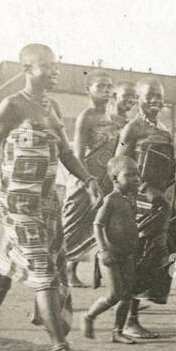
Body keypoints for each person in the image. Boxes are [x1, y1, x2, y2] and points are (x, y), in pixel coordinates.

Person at [0, 44, 95, 351]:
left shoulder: (52, 107)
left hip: (46, 203)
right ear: (26, 69)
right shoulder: (11, 105)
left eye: (56, 65)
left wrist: (88, 180)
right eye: (46, 66)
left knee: (3, 273)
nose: (54, 71)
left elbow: (68, 154)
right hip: (18, 203)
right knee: (43, 269)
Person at [116, 79, 176, 339]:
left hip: (166, 205)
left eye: (159, 97)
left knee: (160, 260)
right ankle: (129, 320)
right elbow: (118, 167)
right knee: (140, 258)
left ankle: (133, 316)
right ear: (138, 97)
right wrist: (143, 191)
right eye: (150, 96)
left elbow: (170, 173)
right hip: (143, 206)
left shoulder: (164, 130)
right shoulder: (132, 129)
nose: (155, 101)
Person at [62, 71, 123, 288]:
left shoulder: (110, 118)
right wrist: (88, 184)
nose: (106, 91)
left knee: (96, 227)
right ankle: (62, 273)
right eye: (100, 87)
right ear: (88, 90)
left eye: (109, 86)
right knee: (73, 227)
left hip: (105, 180)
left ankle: (111, 283)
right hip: (84, 181)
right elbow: (77, 155)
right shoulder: (85, 117)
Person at [79, 156, 142, 343]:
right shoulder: (111, 200)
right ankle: (89, 316)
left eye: (137, 174)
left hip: (127, 254)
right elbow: (97, 224)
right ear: (115, 178)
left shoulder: (131, 199)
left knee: (128, 295)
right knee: (114, 295)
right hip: (111, 254)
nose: (135, 179)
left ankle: (117, 331)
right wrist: (103, 250)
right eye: (129, 175)